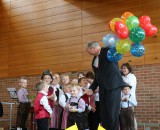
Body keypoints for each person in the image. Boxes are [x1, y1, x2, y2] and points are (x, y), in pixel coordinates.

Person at [85, 41, 125, 130]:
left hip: (113, 87)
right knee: (104, 115)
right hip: (103, 90)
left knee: (112, 114)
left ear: (93, 48)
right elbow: (97, 77)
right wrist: (92, 88)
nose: (88, 53)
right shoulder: (94, 61)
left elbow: (119, 50)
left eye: (88, 51)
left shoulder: (108, 51)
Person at [121, 63, 138, 130]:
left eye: (125, 68)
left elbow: (129, 86)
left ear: (128, 69)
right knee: (124, 124)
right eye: (122, 68)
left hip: (130, 99)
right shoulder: (122, 77)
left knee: (131, 122)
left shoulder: (132, 76)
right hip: (122, 101)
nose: (123, 69)